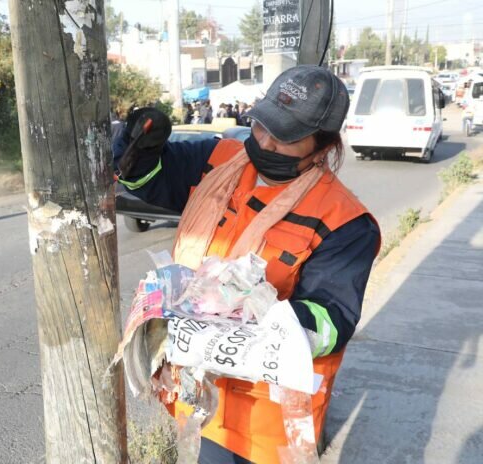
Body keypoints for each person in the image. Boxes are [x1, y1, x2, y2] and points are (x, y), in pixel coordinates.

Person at [113, 65, 380, 464]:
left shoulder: (345, 223)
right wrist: (141, 144)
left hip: (265, 422)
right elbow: (147, 179)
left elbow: (331, 323)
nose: (265, 142)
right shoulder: (218, 160)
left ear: (323, 147)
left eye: (285, 137)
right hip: (195, 394)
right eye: (262, 125)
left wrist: (245, 307)